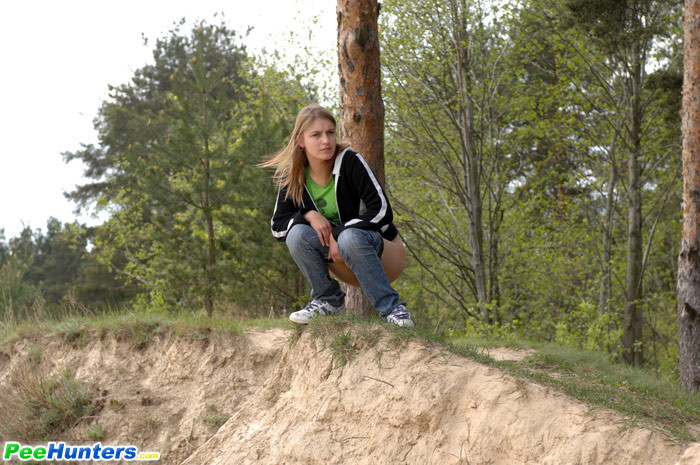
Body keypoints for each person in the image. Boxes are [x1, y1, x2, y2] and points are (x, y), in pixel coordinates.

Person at [260, 103, 414, 327]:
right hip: (341, 259)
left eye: (330, 133)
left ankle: (392, 309)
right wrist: (308, 214)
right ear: (301, 141)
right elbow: (278, 227)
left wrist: (339, 233)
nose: (326, 140)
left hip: (384, 253)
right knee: (297, 234)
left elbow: (382, 211)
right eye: (316, 135)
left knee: (349, 237)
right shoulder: (294, 175)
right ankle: (328, 299)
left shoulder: (350, 161)